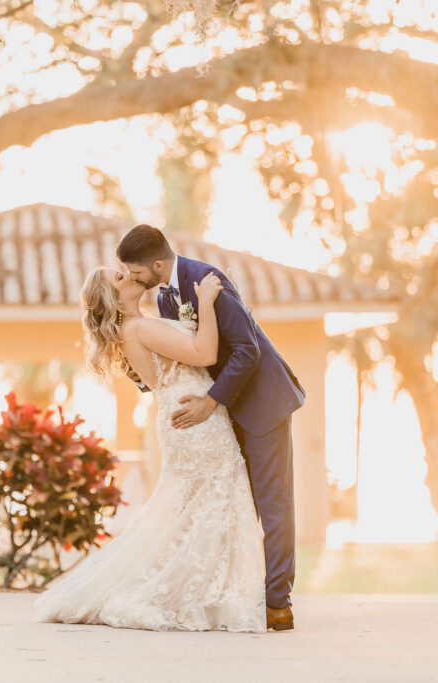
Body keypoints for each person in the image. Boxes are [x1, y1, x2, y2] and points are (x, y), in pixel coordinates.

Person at [33, 266, 267, 632]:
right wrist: (205, 302)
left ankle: (206, 591)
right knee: (216, 497)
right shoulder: (139, 327)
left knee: (191, 505)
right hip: (195, 416)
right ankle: (199, 594)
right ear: (114, 296)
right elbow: (204, 353)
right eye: (119, 278)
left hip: (178, 411)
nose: (128, 276)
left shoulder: (136, 328)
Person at [116, 225, 304, 632]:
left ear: (158, 264)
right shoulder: (166, 295)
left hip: (261, 404)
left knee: (273, 506)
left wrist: (211, 401)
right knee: (236, 505)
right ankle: (238, 594)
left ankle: (278, 604)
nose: (132, 280)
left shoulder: (205, 281)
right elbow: (188, 355)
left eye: (135, 273)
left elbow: (247, 349)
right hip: (222, 414)